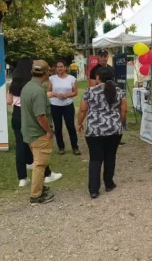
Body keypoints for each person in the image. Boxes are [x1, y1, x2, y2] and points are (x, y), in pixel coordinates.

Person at [7, 58, 60, 187]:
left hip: (16, 114)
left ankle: (22, 178)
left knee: (20, 146)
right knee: (38, 143)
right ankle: (46, 174)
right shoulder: (31, 84)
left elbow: (9, 101)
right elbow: (37, 101)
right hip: (29, 113)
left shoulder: (14, 83)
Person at [77, 66, 127, 199]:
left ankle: (94, 189)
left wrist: (79, 123)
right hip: (114, 129)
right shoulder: (119, 91)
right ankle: (109, 184)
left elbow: (83, 110)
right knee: (110, 156)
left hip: (94, 130)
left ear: (98, 78)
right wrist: (118, 122)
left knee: (95, 158)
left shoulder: (89, 92)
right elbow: (124, 110)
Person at [21, 60, 56, 204]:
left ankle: (39, 186)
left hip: (29, 132)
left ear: (32, 71)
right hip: (38, 133)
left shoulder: (27, 87)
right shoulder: (39, 91)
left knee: (37, 162)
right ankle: (36, 195)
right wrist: (48, 131)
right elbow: (40, 116)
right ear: (47, 72)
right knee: (40, 164)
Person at [47, 60, 81, 155]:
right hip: (55, 106)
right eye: (58, 67)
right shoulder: (52, 78)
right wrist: (56, 95)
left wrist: (67, 95)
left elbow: (75, 92)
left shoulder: (72, 78)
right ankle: (61, 147)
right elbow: (48, 92)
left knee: (70, 126)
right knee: (58, 127)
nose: (59, 68)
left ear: (65, 67)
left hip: (68, 105)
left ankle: (75, 147)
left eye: (61, 66)